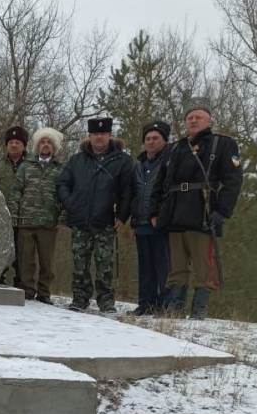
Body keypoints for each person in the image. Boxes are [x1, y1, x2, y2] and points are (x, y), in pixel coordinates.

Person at [151, 102, 243, 319]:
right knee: (177, 266)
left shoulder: (222, 144)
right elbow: (160, 182)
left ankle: (198, 311)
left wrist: (222, 212)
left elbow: (233, 181)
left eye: (198, 117)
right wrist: (154, 212)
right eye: (190, 117)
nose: (193, 120)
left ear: (209, 121)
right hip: (174, 214)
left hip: (203, 212)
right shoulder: (174, 148)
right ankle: (175, 309)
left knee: (204, 268)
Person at [57, 117, 134, 313]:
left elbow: (128, 191)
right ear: (89, 136)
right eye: (95, 134)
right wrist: (70, 203)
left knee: (105, 264)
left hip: (106, 220)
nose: (99, 137)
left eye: (103, 133)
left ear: (109, 135)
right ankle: (80, 298)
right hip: (80, 220)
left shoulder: (123, 160)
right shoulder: (76, 160)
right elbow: (62, 184)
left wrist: (123, 216)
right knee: (80, 264)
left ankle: (106, 301)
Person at [17, 127, 64, 304]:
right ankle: (28, 290)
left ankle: (44, 292)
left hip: (48, 221)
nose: (45, 145)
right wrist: (15, 215)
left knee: (47, 260)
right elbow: (16, 190)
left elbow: (65, 194)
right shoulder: (26, 166)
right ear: (37, 146)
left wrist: (62, 217)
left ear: (54, 147)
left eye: (49, 143)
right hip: (26, 220)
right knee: (26, 259)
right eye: (42, 142)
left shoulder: (60, 169)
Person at [129, 120, 172, 316]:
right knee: (144, 267)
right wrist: (133, 220)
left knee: (163, 266)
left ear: (164, 140)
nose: (151, 142)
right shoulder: (138, 165)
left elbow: (168, 194)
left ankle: (164, 305)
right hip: (141, 222)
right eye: (148, 138)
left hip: (160, 224)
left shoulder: (170, 162)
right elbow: (134, 195)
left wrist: (160, 215)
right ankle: (145, 303)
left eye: (156, 138)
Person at [0, 126, 29, 287]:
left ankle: (22, 284)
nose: (14, 145)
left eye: (18, 142)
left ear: (24, 146)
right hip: (2, 218)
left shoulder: (31, 164)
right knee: (1, 252)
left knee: (23, 255)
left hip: (26, 218)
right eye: (11, 142)